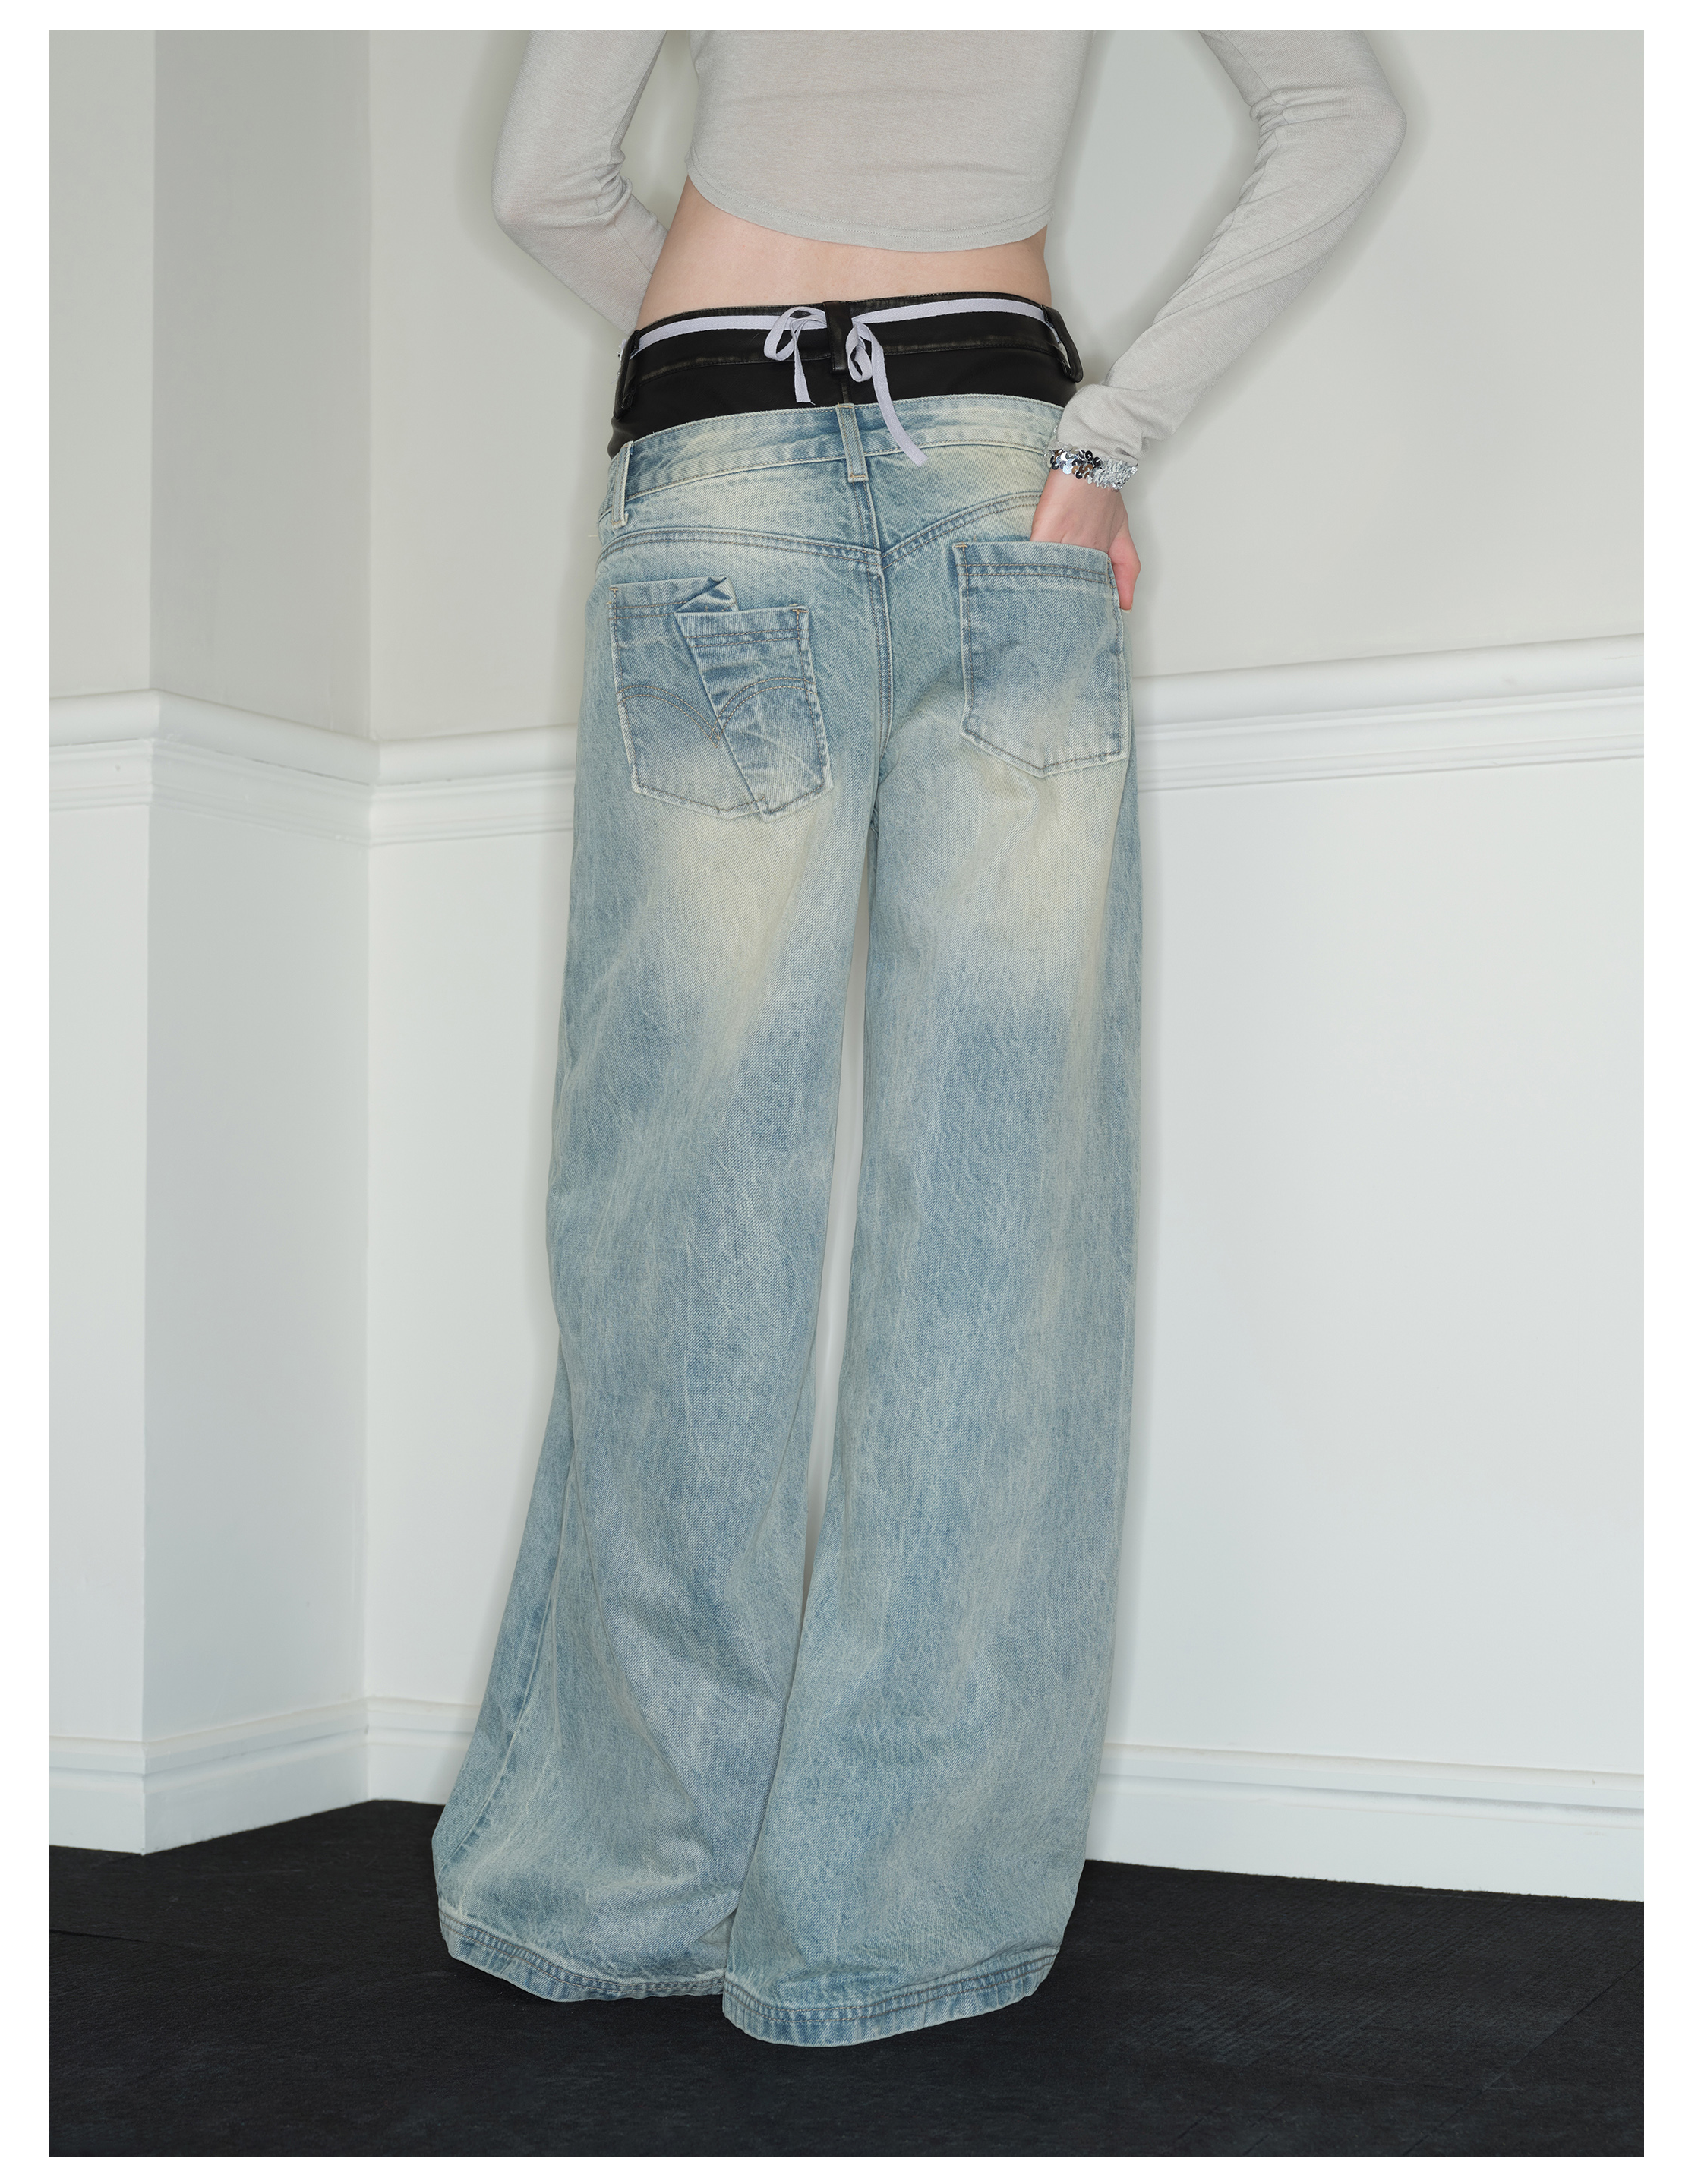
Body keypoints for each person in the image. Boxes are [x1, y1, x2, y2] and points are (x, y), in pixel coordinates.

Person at [432, 30, 1404, 2049]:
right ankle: (891, 1920)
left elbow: (545, 183)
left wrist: (728, 358)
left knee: (679, 1211)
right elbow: (1342, 114)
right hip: (998, 478)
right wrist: (1104, 443)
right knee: (996, 1205)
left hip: (713, 452)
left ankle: (624, 1884)